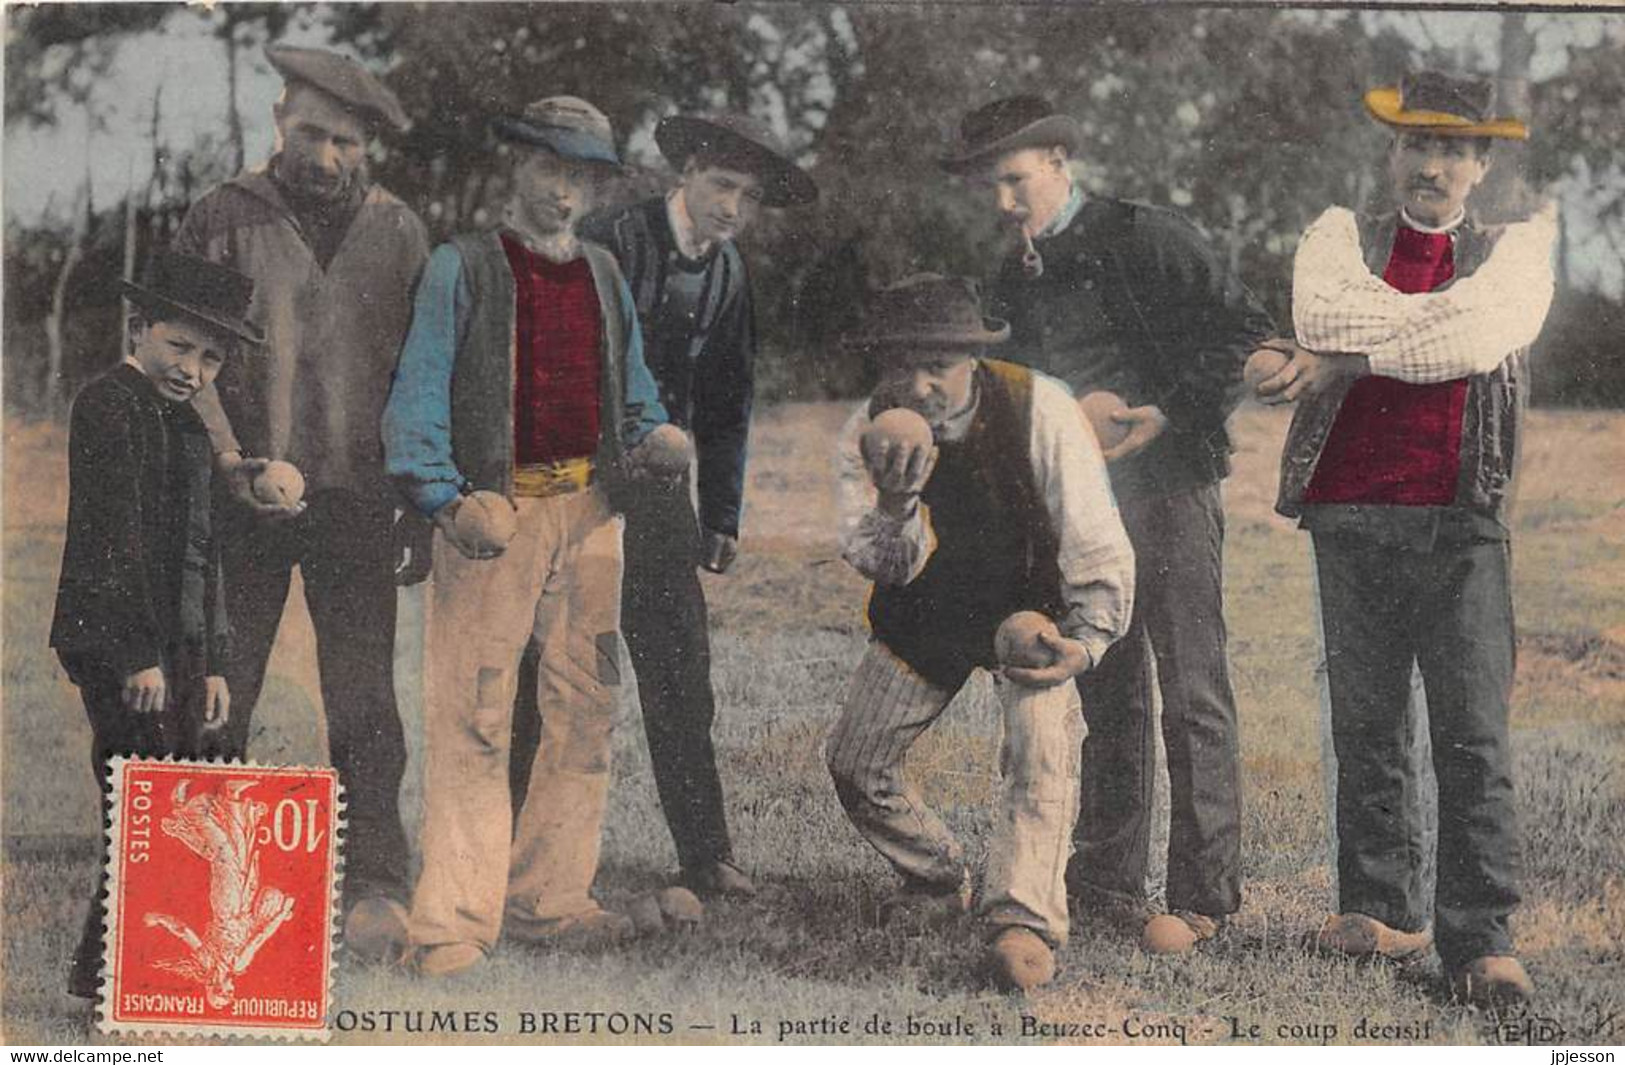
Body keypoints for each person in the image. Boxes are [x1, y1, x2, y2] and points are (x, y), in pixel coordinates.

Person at [941, 95, 1274, 952]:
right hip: (1080, 512)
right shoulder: (1013, 276)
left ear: (1058, 160)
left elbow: (1241, 329)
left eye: (1015, 181)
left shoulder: (1145, 235)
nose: (1004, 202)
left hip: (1169, 489)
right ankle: (1106, 877)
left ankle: (1203, 895)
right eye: (991, 187)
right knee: (1108, 685)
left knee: (1192, 688)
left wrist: (1163, 411)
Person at [1256, 72, 1555, 1006]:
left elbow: (1472, 341)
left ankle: (1480, 938)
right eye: (1414, 144)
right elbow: (1320, 313)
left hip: (1458, 521)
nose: (1431, 163)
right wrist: (1394, 330)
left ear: (1480, 163)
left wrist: (1347, 360)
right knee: (1367, 722)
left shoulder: (1518, 250)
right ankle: (1379, 911)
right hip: (1348, 512)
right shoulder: (1336, 236)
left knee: (1471, 731)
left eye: (1453, 148)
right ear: (1393, 154)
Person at [382, 95, 672, 977]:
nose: (563, 194)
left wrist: (657, 434)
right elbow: (418, 396)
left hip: (588, 514)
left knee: (584, 709)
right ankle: (454, 921)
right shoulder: (459, 266)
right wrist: (445, 498)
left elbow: (634, 393)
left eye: (581, 178)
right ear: (516, 166)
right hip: (491, 517)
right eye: (550, 170)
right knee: (472, 712)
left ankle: (550, 900)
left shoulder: (602, 274)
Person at [510, 112, 818, 898]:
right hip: (570, 482)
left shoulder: (728, 272)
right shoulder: (610, 238)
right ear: (684, 176)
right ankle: (507, 842)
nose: (730, 209)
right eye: (721, 186)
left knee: (681, 662)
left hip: (657, 497)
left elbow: (727, 401)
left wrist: (719, 516)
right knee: (548, 661)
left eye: (746, 198)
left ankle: (705, 852)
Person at [173, 45, 428, 959]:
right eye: (313, 134)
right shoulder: (222, 218)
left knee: (363, 696)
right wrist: (231, 460)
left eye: (348, 142)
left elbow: (417, 375)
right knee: (220, 686)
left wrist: (418, 501)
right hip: (239, 495)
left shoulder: (400, 231)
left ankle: (374, 881)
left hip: (358, 501)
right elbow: (179, 357)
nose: (328, 157)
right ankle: (200, 887)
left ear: (367, 148)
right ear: (280, 122)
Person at [827, 275, 1134, 991]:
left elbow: (1095, 540)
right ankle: (936, 874)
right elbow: (888, 567)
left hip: (1029, 606)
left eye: (936, 365)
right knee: (853, 759)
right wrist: (896, 499)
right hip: (930, 600)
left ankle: (1021, 920)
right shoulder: (864, 426)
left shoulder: (1039, 406)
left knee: (1039, 753)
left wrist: (1084, 640)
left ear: (971, 358)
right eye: (902, 365)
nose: (919, 385)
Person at [51, 250, 261, 1000]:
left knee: (166, 801)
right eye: (179, 346)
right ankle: (112, 983)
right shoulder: (108, 405)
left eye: (210, 358)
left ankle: (126, 979)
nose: (193, 369)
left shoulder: (192, 431)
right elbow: (113, 536)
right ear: (140, 327)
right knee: (135, 800)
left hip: (175, 646)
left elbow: (202, 553)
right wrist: (139, 654)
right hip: (117, 640)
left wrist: (211, 664)